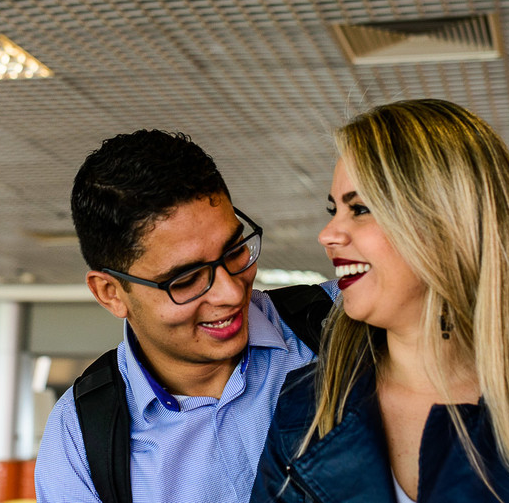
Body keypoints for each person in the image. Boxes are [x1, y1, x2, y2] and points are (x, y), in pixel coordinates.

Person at [251, 99, 509, 503]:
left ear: (445, 223)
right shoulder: (307, 404)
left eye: (360, 209)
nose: (328, 235)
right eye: (333, 211)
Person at [35, 129, 338, 503]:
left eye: (234, 251)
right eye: (185, 278)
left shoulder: (340, 323)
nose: (231, 292)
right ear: (110, 292)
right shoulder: (81, 440)